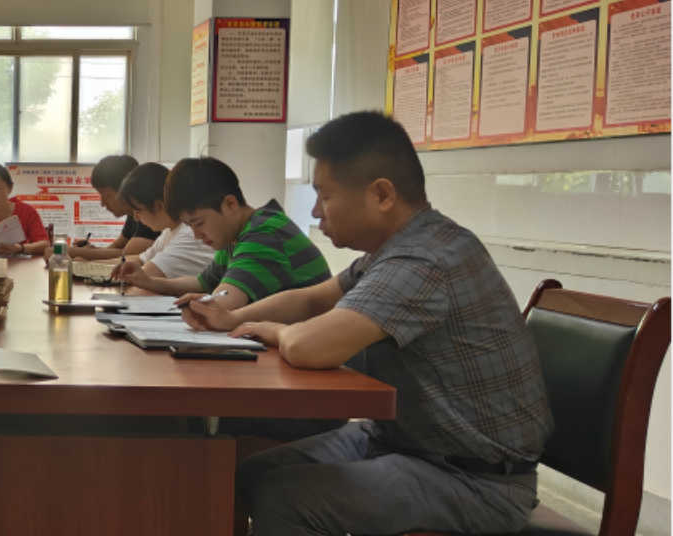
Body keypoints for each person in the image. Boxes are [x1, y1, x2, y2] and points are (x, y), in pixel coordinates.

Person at [186, 112, 553, 536]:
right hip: (401, 443)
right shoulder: (391, 251)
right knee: (253, 472)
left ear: (381, 194)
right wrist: (233, 318)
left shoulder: (424, 259)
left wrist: (272, 330)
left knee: (284, 499)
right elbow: (313, 297)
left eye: (324, 195)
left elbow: (309, 347)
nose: (315, 211)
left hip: (476, 480)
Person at [113, 157, 331, 312]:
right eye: (189, 225)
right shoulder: (235, 235)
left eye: (199, 223)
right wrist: (149, 281)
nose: (197, 235)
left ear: (230, 204)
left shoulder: (264, 234)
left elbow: (224, 302)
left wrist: (202, 304)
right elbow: (202, 284)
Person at [107, 163, 214, 281]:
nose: (136, 218)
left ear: (158, 206)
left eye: (138, 211)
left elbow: (147, 273)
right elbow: (140, 259)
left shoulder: (189, 234)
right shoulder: (170, 231)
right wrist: (91, 265)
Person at [59, 155, 160, 261]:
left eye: (107, 196)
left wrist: (64, 251)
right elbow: (117, 247)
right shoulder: (133, 214)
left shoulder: (148, 213)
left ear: (125, 190)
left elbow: (129, 254)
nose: (102, 203)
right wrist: (90, 251)